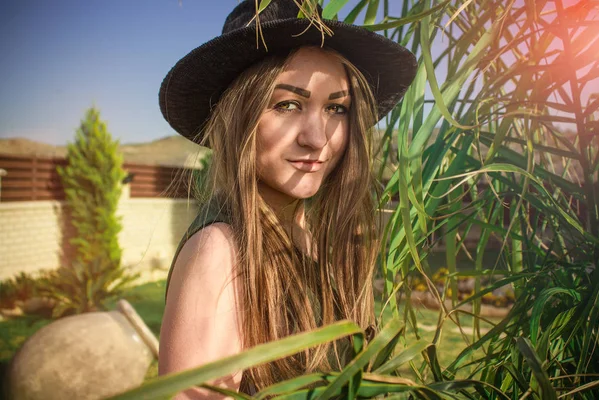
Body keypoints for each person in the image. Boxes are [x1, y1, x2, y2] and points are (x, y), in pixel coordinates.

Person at [157, 0, 417, 398]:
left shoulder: (305, 237)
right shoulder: (220, 252)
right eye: (287, 104)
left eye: (336, 108)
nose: (317, 137)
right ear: (235, 115)